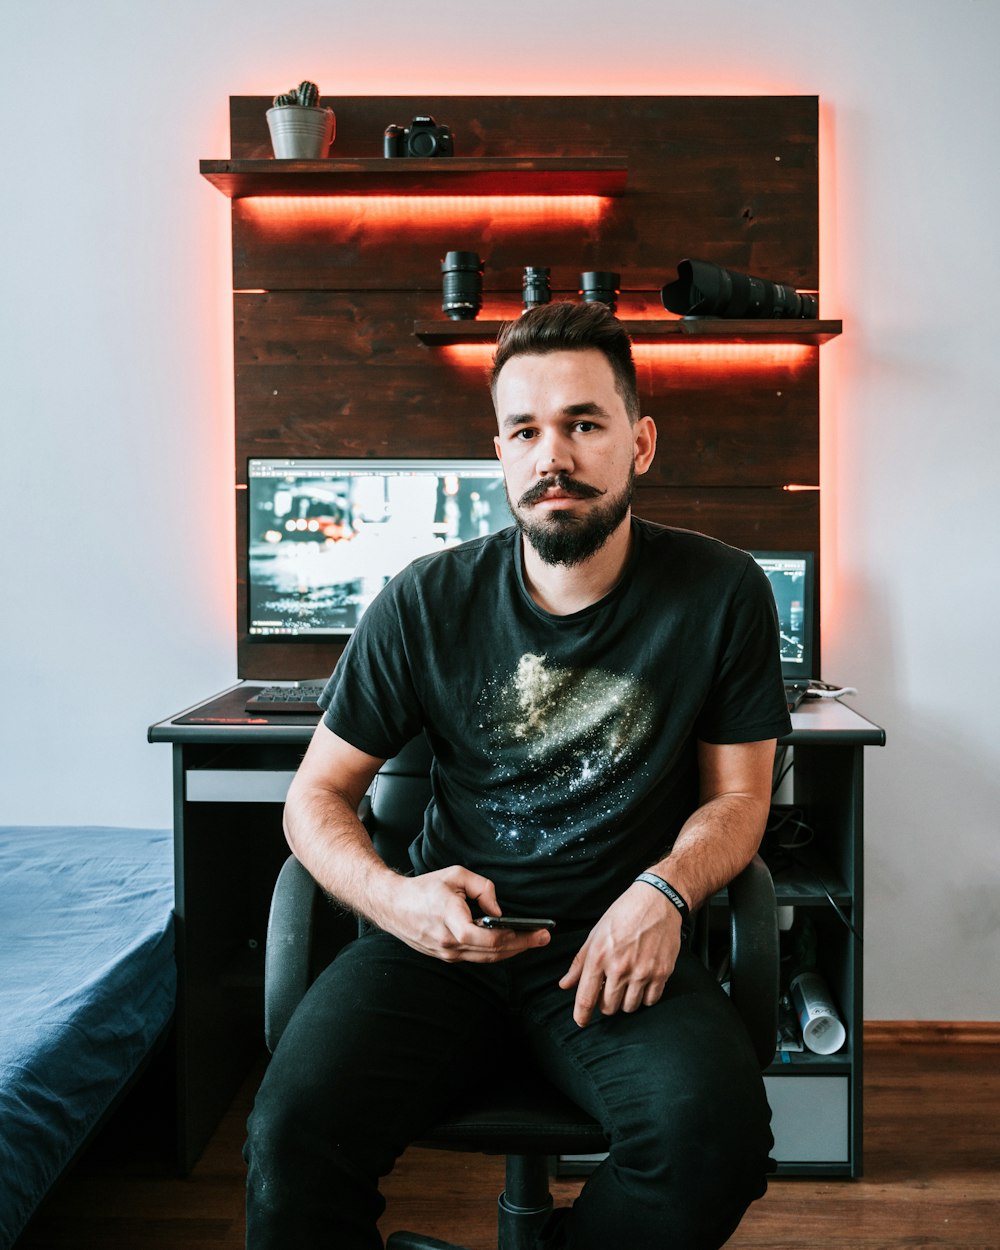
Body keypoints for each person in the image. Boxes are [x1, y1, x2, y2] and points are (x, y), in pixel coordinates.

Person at [244, 301, 791, 1250]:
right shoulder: (424, 600)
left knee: (717, 1144)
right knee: (291, 1140)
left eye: (584, 424)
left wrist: (664, 892)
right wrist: (394, 899)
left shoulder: (721, 592)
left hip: (614, 948)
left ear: (641, 443)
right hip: (441, 943)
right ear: (499, 453)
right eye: (526, 431)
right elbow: (314, 797)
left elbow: (740, 799)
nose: (555, 458)